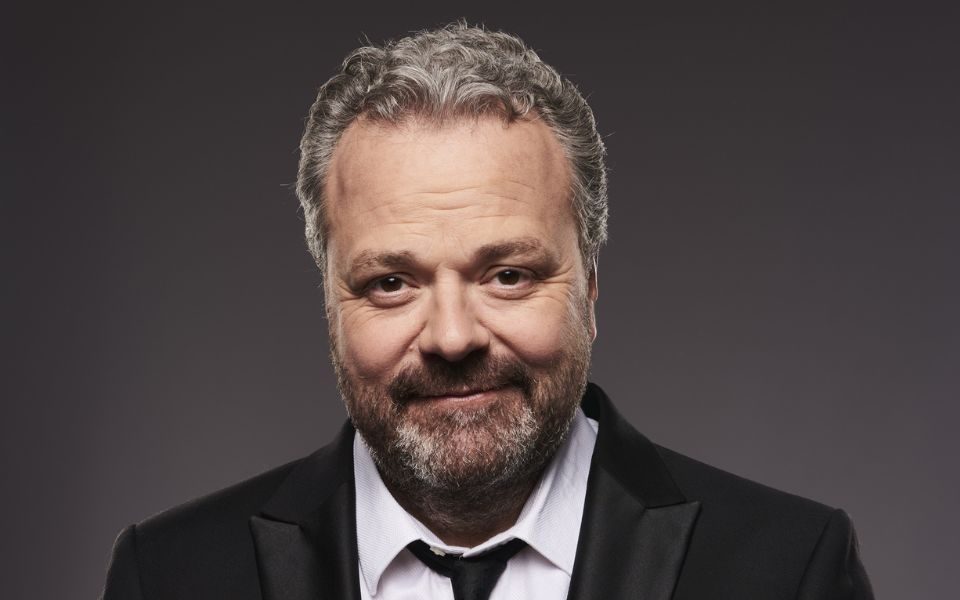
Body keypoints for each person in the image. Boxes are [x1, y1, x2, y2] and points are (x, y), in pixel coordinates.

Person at [101, 22, 873, 600]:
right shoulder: (169, 576)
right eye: (389, 284)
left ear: (590, 283)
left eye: (507, 274)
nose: (452, 336)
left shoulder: (788, 569)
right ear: (329, 299)